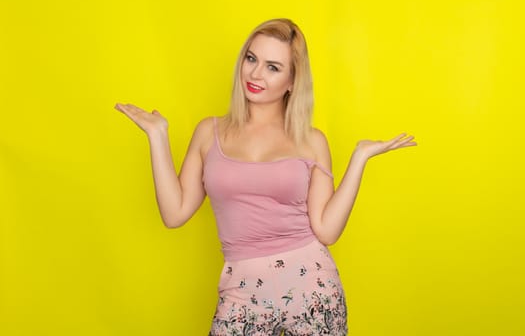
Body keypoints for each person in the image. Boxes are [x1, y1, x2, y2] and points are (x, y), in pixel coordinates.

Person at [115, 18, 416, 336]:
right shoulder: (209, 132)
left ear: (291, 81)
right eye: (251, 58)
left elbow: (327, 230)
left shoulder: (311, 140)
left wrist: (359, 158)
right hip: (241, 295)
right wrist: (158, 136)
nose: (256, 74)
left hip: (313, 291)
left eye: (273, 67)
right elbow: (174, 214)